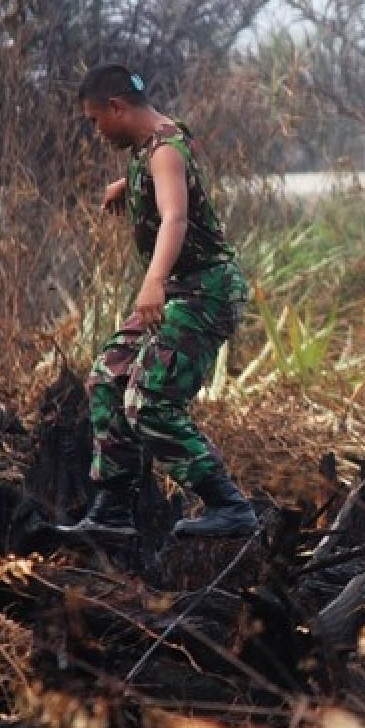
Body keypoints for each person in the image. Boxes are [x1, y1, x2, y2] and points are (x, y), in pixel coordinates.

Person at [59, 63, 258, 538]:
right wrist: (128, 185)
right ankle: (112, 513)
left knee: (149, 402)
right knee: (108, 377)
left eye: (94, 120)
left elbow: (175, 219)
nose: (96, 131)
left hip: (202, 292)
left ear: (117, 107)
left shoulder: (164, 150)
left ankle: (228, 506)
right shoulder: (160, 138)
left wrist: (153, 281)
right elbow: (172, 165)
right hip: (182, 290)